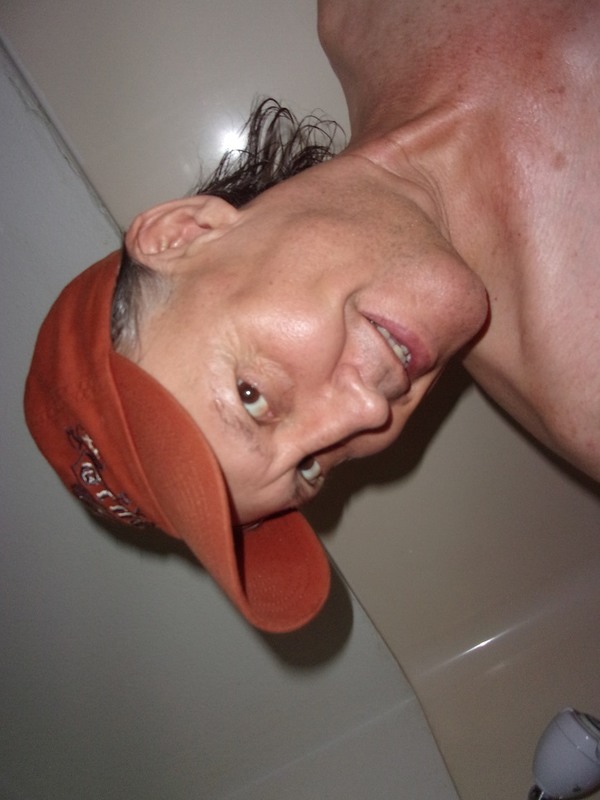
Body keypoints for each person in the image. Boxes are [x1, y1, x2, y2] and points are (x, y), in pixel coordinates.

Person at [25, 0, 599, 631]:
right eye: (311, 469)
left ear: (185, 233)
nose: (367, 415)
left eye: (253, 396)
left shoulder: (358, 16)